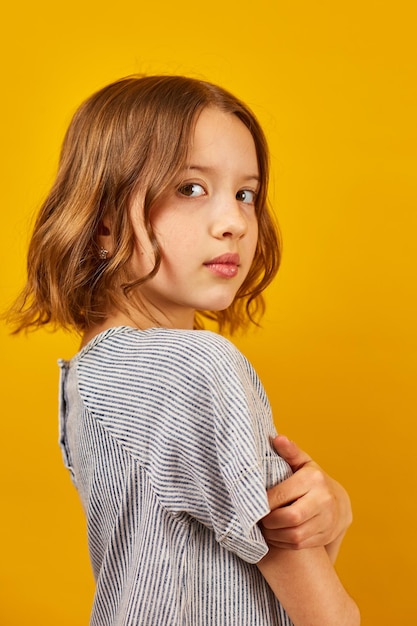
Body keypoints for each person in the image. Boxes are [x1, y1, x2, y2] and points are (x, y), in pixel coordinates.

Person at [9, 75, 359, 625]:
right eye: (189, 189)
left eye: (246, 194)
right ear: (102, 219)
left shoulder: (90, 375)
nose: (235, 224)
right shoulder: (194, 367)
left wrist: (331, 510)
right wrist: (336, 523)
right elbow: (327, 618)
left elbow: (254, 572)